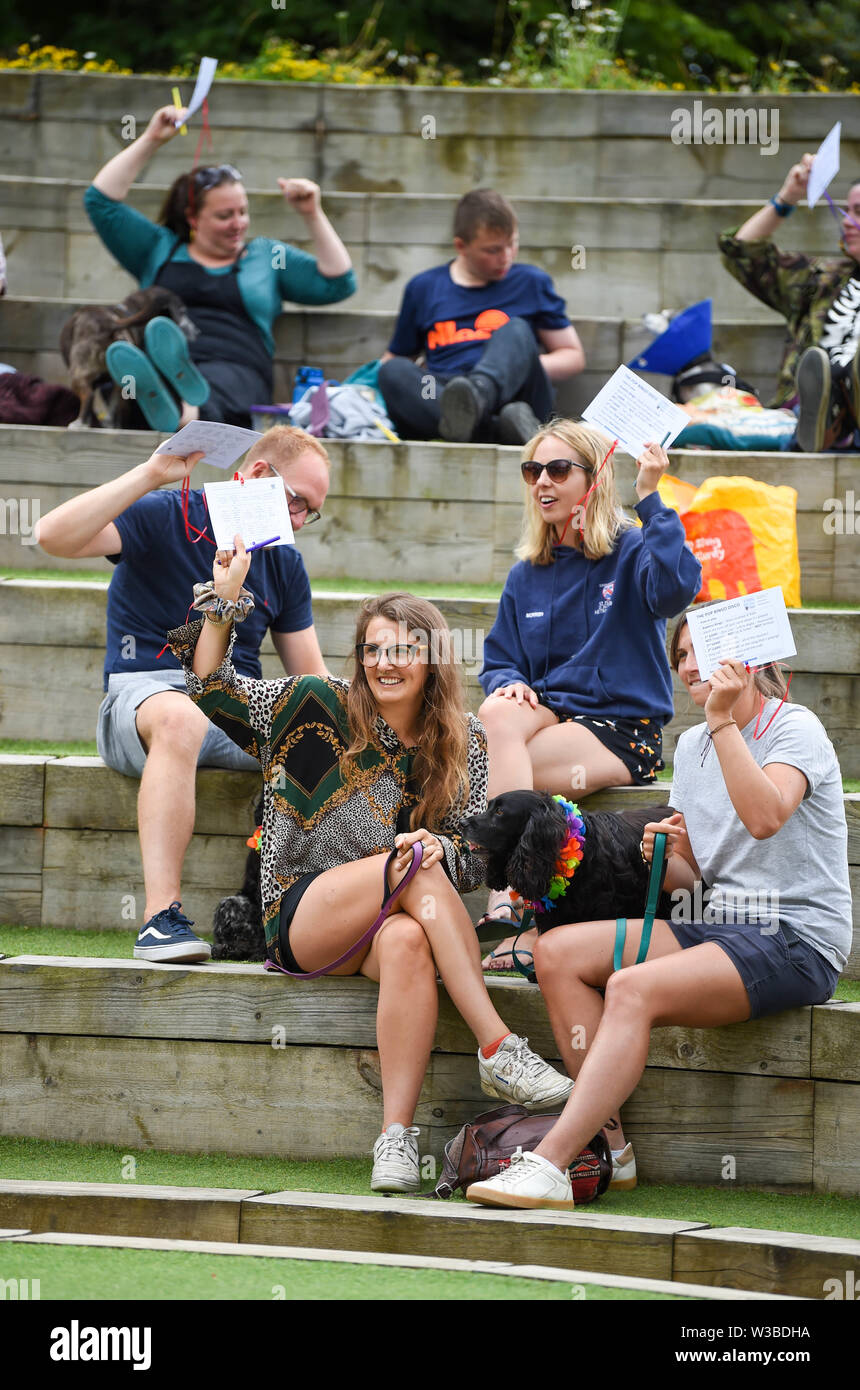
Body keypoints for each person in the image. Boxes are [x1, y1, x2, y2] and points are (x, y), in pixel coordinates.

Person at [168, 580, 576, 1193]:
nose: (384, 664)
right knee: (410, 862)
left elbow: (474, 859)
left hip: (388, 926)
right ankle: (497, 1048)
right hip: (303, 915)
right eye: (372, 650)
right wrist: (225, 603)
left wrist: (446, 847)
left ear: (432, 659)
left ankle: (395, 1140)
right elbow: (213, 690)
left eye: (403, 650)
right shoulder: (312, 703)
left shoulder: (464, 742)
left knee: (411, 937)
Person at [466, 613, 851, 1209]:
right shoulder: (695, 744)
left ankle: (549, 1162)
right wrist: (665, 855)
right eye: (682, 656)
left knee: (632, 988)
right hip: (718, 923)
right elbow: (699, 875)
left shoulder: (793, 728)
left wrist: (722, 722)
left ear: (746, 658)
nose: (692, 666)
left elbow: (766, 817)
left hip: (794, 937)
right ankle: (611, 1152)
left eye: (707, 650)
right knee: (556, 952)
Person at [34, 426, 331, 963]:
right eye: (298, 502)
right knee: (181, 719)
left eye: (312, 511)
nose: (300, 521)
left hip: (227, 704)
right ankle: (159, 920)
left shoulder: (284, 562)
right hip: (143, 699)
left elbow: (311, 683)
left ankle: (297, 917)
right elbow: (51, 536)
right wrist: (151, 474)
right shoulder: (168, 513)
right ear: (260, 475)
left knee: (318, 738)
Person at [476, 419, 702, 962]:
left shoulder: (631, 550)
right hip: (552, 716)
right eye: (533, 471)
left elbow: (677, 589)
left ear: (595, 479)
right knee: (495, 710)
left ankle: (515, 903)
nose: (542, 483)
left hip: (621, 727)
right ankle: (522, 909)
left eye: (558, 470)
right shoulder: (526, 571)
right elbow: (499, 660)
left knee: (501, 775)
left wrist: (650, 497)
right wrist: (510, 683)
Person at [83, 103, 356, 430]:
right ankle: (176, 404)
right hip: (164, 361)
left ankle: (187, 412)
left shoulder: (265, 256)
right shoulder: (158, 249)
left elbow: (339, 282)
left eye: (243, 212)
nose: (238, 223)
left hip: (237, 370)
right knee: (148, 380)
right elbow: (100, 202)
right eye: (225, 215)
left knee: (212, 389)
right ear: (193, 218)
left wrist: (312, 213)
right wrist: (152, 138)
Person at [378, 188, 585, 445]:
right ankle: (493, 426)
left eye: (512, 244)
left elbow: (573, 356)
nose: (506, 257)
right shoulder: (423, 288)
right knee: (392, 371)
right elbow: (397, 358)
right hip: (448, 395)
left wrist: (515, 364)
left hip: (517, 394)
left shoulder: (531, 282)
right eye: (493, 250)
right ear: (461, 246)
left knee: (516, 329)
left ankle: (478, 395)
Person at [719, 154, 860, 452]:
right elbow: (741, 251)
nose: (847, 221)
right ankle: (824, 422)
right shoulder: (821, 278)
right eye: (847, 210)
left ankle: (838, 420)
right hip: (803, 410)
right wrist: (789, 196)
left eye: (859, 212)